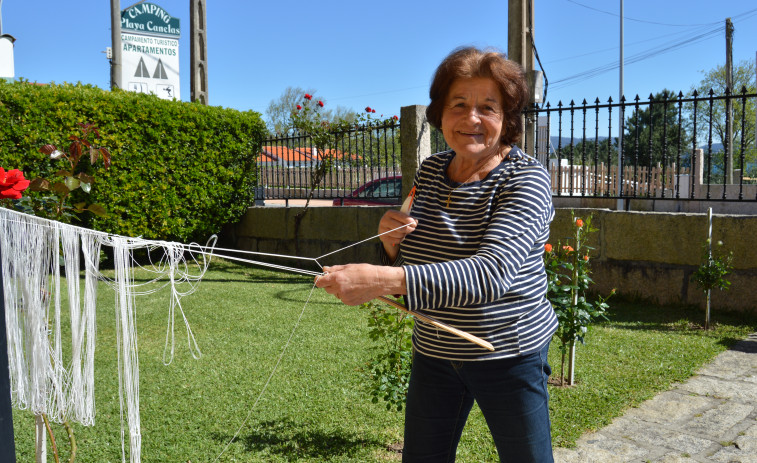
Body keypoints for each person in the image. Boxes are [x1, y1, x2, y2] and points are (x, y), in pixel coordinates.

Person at [315, 46, 556, 462]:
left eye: (488, 107)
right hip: (435, 351)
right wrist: (391, 248)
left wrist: (379, 280)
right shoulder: (430, 170)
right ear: (440, 114)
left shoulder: (526, 179)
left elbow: (490, 275)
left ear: (508, 119)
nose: (472, 118)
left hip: (507, 352)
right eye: (458, 104)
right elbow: (417, 259)